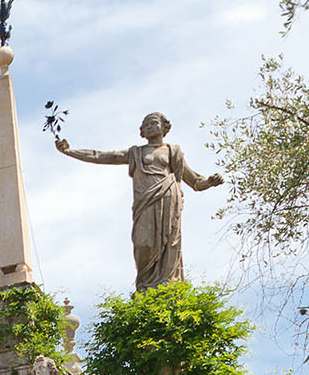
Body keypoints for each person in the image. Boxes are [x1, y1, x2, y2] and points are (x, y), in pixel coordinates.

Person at [55, 112, 223, 292]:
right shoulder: (136, 152)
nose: (149, 127)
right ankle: (146, 288)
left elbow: (195, 181)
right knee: (144, 243)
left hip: (168, 204)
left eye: (154, 123)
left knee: (169, 246)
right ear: (141, 132)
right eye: (146, 125)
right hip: (145, 204)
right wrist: (70, 151)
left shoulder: (173, 151)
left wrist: (210, 182)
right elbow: (103, 156)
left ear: (164, 127)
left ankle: (169, 288)